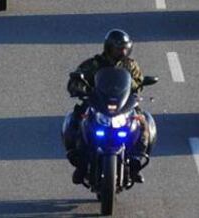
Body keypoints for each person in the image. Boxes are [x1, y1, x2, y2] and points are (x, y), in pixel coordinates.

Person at [63, 30, 151, 185]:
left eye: (125, 48)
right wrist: (79, 86)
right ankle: (80, 164)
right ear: (109, 47)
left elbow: (139, 81)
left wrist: (137, 84)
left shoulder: (131, 65)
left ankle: (135, 163)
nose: (122, 52)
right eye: (118, 48)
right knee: (75, 121)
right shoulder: (94, 64)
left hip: (124, 105)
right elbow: (75, 79)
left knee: (144, 123)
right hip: (98, 102)